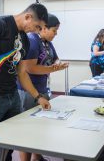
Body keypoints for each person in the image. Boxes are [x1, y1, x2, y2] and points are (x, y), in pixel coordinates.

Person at [0, 3, 51, 161]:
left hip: (12, 97)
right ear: (27, 17)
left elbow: (21, 73)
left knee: (7, 148)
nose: (37, 31)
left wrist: (38, 96)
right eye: (37, 26)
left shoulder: (25, 40)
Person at [17, 14, 69, 161]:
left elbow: (54, 58)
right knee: (27, 129)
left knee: (38, 126)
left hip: (42, 88)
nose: (56, 34)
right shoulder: (33, 41)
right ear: (44, 28)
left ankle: (37, 157)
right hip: (28, 90)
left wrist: (58, 63)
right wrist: (54, 69)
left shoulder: (46, 42)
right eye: (54, 30)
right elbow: (30, 69)